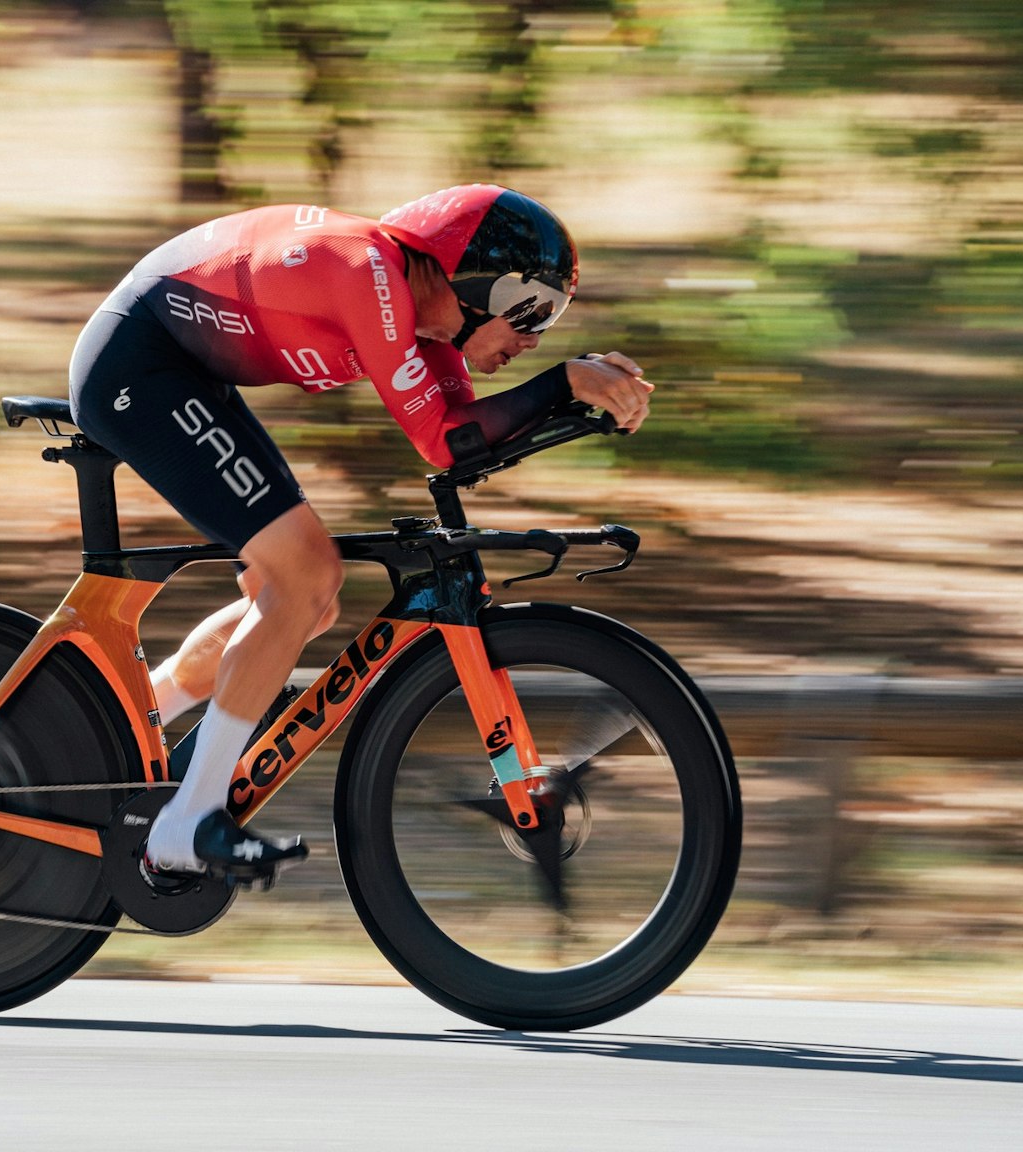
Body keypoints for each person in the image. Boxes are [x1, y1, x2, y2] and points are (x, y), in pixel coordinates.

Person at [67, 184, 653, 884]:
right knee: (305, 577)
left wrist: (582, 403)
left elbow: (468, 442)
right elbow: (444, 443)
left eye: (549, 323)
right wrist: (562, 383)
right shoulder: (368, 273)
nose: (530, 339)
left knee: (301, 601)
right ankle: (186, 824)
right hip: (140, 365)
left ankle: (101, 742)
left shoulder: (427, 326)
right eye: (527, 310)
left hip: (185, 371)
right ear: (466, 278)